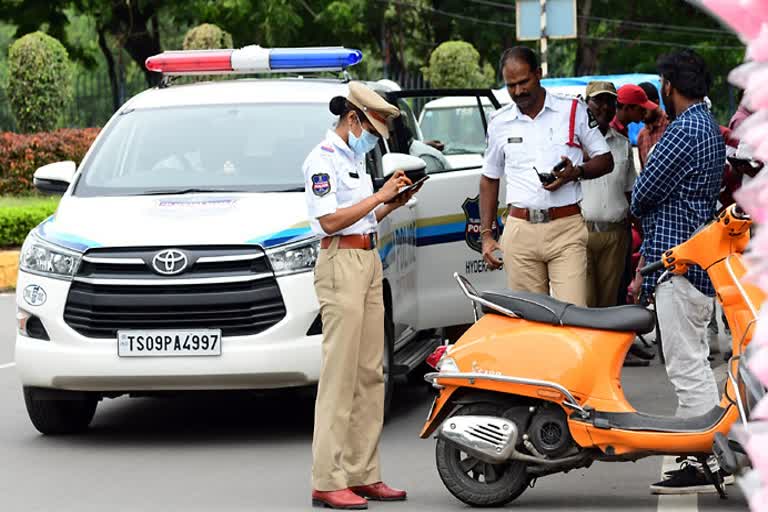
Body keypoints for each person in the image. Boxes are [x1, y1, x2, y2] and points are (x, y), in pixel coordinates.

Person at [304, 81, 414, 510]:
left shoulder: (354, 158)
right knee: (340, 376)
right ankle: (327, 479)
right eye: (373, 130)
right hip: (340, 265)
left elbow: (362, 218)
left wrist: (394, 201)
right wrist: (377, 197)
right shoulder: (322, 159)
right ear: (354, 120)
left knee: (372, 374)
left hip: (368, 262)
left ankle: (363, 473)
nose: (375, 140)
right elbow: (330, 221)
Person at [630, 49, 727, 494]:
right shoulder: (707, 125)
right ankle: (707, 453)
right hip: (697, 260)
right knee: (696, 365)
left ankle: (703, 458)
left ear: (668, 85)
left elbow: (643, 192)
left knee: (686, 367)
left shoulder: (683, 130)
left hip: (678, 262)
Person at [480, 46, 613, 306]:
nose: (518, 91)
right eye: (511, 86)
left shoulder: (573, 110)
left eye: (524, 82)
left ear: (539, 74)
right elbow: (489, 178)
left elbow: (605, 159)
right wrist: (486, 235)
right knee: (529, 323)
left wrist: (577, 172)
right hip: (519, 232)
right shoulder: (498, 122)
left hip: (566, 229)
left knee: (572, 316)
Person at [582, 81, 636, 308]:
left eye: (610, 102)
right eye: (598, 101)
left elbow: (630, 191)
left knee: (610, 303)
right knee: (584, 302)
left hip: (616, 235)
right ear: (586, 104)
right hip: (581, 234)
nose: (605, 107)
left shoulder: (623, 144)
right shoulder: (573, 144)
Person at [636, 82, 670, 170]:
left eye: (644, 108)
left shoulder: (671, 126)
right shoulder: (641, 136)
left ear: (656, 102)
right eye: (638, 108)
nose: (641, 112)